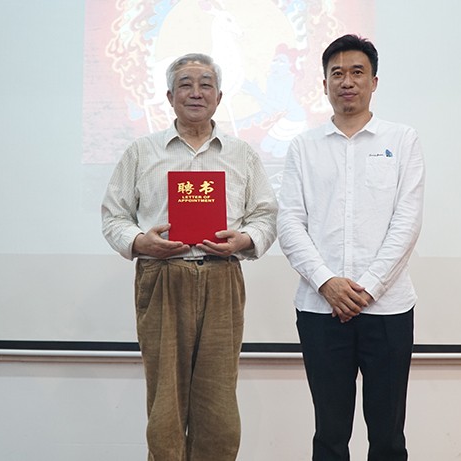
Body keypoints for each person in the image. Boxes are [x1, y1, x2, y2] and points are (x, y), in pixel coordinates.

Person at [101, 53, 278, 461]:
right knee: (165, 404)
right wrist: (140, 242)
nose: (195, 92)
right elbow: (113, 216)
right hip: (163, 277)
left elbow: (266, 215)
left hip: (222, 277)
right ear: (169, 96)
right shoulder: (142, 152)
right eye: (185, 84)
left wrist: (244, 240)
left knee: (219, 405)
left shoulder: (242, 154)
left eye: (205, 84)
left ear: (219, 96)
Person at [277, 34, 425, 460]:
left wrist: (369, 287)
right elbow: (290, 222)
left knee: (388, 436)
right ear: (324, 84)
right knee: (329, 434)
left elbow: (407, 222)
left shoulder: (402, 139)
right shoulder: (304, 146)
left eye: (357, 72)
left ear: (374, 81)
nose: (347, 81)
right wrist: (327, 283)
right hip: (320, 309)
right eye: (337, 73)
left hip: (388, 310)